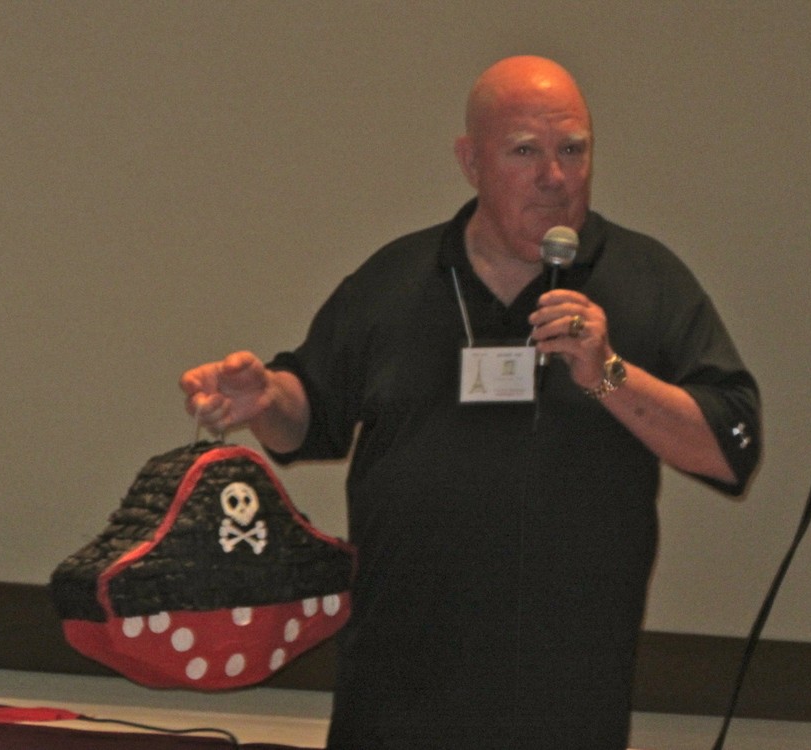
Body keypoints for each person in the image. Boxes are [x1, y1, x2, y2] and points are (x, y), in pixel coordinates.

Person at [180, 55, 760, 750]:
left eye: (573, 150)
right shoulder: (397, 279)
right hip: (397, 693)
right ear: (470, 161)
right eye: (526, 151)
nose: (555, 177)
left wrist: (608, 374)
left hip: (566, 697)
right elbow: (308, 418)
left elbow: (731, 447)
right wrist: (266, 397)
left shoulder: (646, 280)